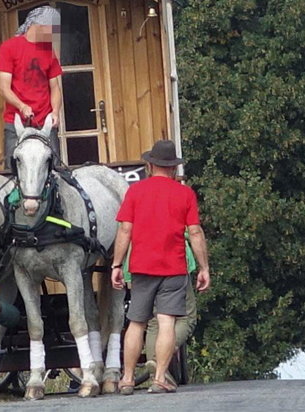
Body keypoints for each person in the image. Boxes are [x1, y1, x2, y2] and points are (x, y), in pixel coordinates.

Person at [111, 140, 211, 394]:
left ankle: (127, 379)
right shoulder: (185, 193)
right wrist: (203, 267)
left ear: (150, 164)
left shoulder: (135, 191)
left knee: (136, 323)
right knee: (166, 322)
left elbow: (125, 229)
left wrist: (117, 264)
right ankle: (158, 379)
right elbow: (195, 232)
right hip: (174, 267)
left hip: (142, 267)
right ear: (174, 167)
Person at [0, 5, 63, 167]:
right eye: (52, 28)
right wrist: (22, 106)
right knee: (13, 170)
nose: (54, 33)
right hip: (16, 122)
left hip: (45, 123)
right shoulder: (9, 48)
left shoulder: (48, 51)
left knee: (54, 169)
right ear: (39, 25)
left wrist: (55, 112)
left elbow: (55, 88)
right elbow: (4, 88)